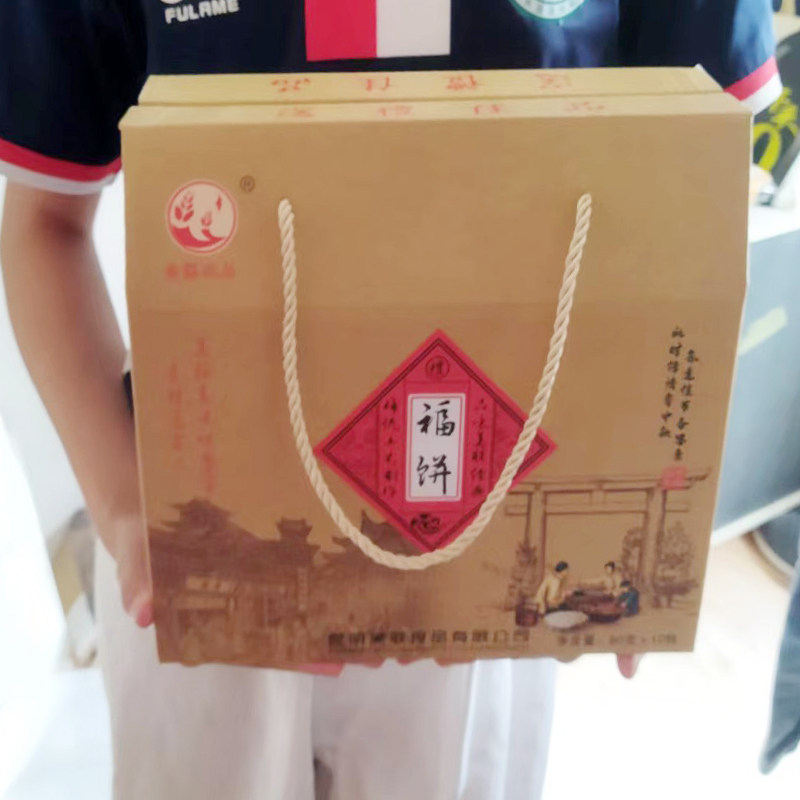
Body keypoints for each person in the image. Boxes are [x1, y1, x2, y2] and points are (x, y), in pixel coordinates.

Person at [0, 2, 779, 798]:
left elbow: (699, 177)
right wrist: (125, 511)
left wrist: (645, 511)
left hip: (489, 535)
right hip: (210, 534)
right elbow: (46, 221)